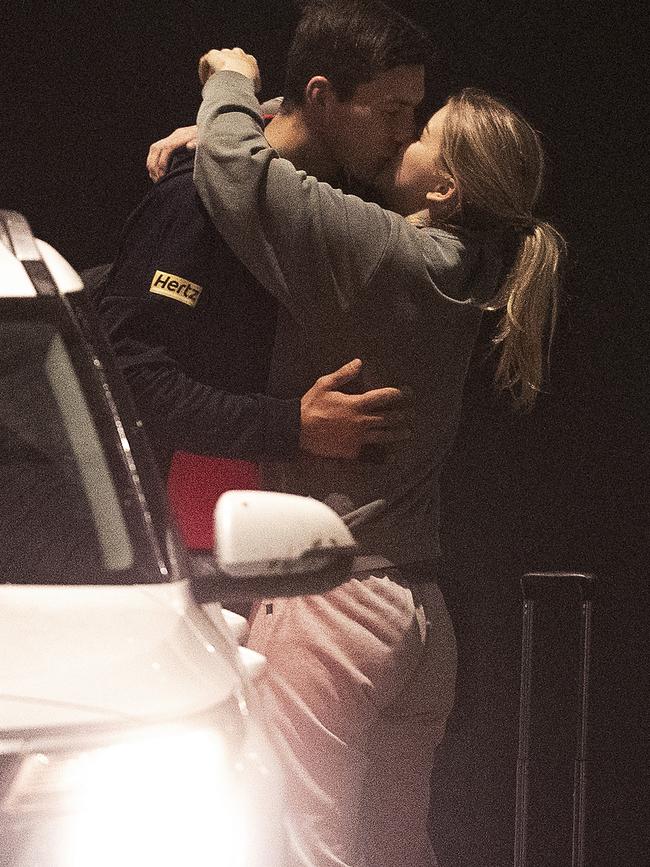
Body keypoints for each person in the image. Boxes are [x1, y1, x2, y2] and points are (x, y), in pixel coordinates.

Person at [190, 45, 565, 867]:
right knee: (398, 852)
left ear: (445, 188)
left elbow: (238, 174)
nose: (403, 139)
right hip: (419, 618)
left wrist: (231, 84)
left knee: (296, 849)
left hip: (334, 603)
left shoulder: (387, 252)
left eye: (421, 131)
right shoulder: (461, 266)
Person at [90, 0, 436, 550]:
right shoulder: (192, 201)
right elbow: (124, 376)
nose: (406, 134)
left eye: (413, 113)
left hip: (299, 540)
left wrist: (232, 113)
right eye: (392, 112)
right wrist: (290, 426)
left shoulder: (352, 202)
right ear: (322, 97)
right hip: (202, 542)